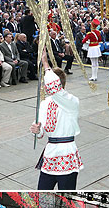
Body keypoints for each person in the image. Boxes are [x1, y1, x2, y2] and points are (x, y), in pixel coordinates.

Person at [30, 49, 83, 190]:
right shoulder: (44, 103)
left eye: (48, 82)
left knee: (66, 193)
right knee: (42, 192)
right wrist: (36, 130)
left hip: (66, 153)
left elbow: (55, 90)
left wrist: (46, 64)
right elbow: (41, 132)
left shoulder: (71, 101)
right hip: (50, 153)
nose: (46, 86)